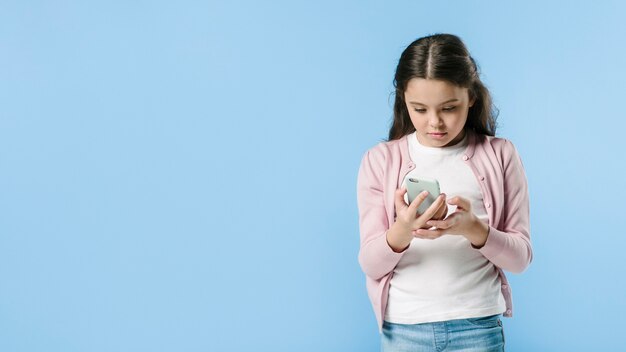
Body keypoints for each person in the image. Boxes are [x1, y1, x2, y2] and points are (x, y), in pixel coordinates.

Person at [356, 33, 532, 352]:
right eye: (419, 109)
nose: (434, 122)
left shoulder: (501, 155)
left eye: (449, 108)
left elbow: (520, 260)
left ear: (471, 98)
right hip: (404, 330)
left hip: (478, 326)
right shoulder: (379, 161)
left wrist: (474, 229)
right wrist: (402, 230)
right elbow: (370, 263)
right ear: (403, 101)